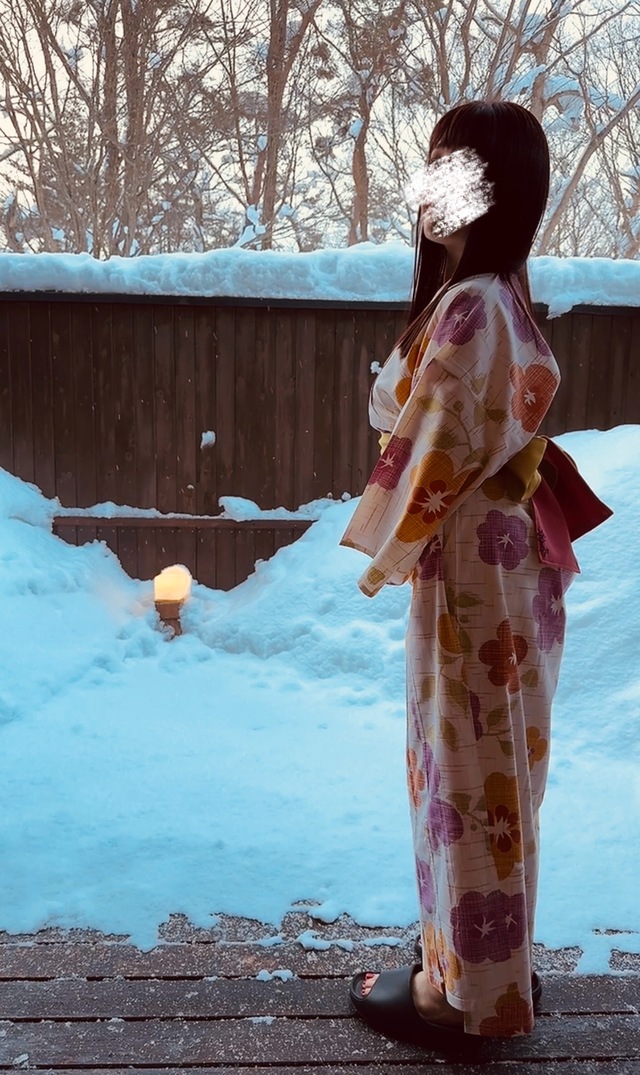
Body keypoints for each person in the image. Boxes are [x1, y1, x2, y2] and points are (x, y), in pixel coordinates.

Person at [340, 100, 610, 1043]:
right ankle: (488, 965)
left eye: (454, 170)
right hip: (501, 558)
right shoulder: (495, 297)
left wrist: (385, 544)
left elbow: (431, 449)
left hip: (473, 564)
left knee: (465, 763)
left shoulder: (473, 305)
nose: (431, 189)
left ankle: (461, 1001)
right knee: (496, 768)